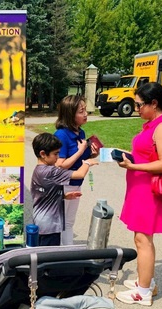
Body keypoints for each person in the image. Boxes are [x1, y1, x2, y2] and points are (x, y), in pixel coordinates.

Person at [115, 82, 162, 306]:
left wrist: (133, 167)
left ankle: (143, 292)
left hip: (150, 191)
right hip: (140, 188)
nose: (136, 109)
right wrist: (128, 157)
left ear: (154, 104)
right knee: (142, 238)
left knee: (143, 240)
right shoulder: (153, 124)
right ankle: (145, 282)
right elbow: (146, 154)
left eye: (139, 105)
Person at [31, 133, 97, 246]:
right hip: (49, 227)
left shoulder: (38, 170)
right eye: (55, 154)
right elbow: (79, 174)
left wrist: (63, 196)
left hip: (42, 223)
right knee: (49, 257)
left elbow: (43, 194)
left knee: (42, 256)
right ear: (43, 154)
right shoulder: (50, 171)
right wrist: (87, 162)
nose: (58, 157)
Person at [53, 95, 100, 245]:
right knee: (59, 222)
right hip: (64, 184)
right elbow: (59, 164)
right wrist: (80, 151)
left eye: (85, 109)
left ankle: (67, 253)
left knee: (69, 222)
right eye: (81, 111)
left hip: (76, 182)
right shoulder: (61, 135)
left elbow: (81, 158)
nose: (85, 114)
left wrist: (93, 153)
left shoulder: (81, 133)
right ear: (70, 114)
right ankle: (56, 254)